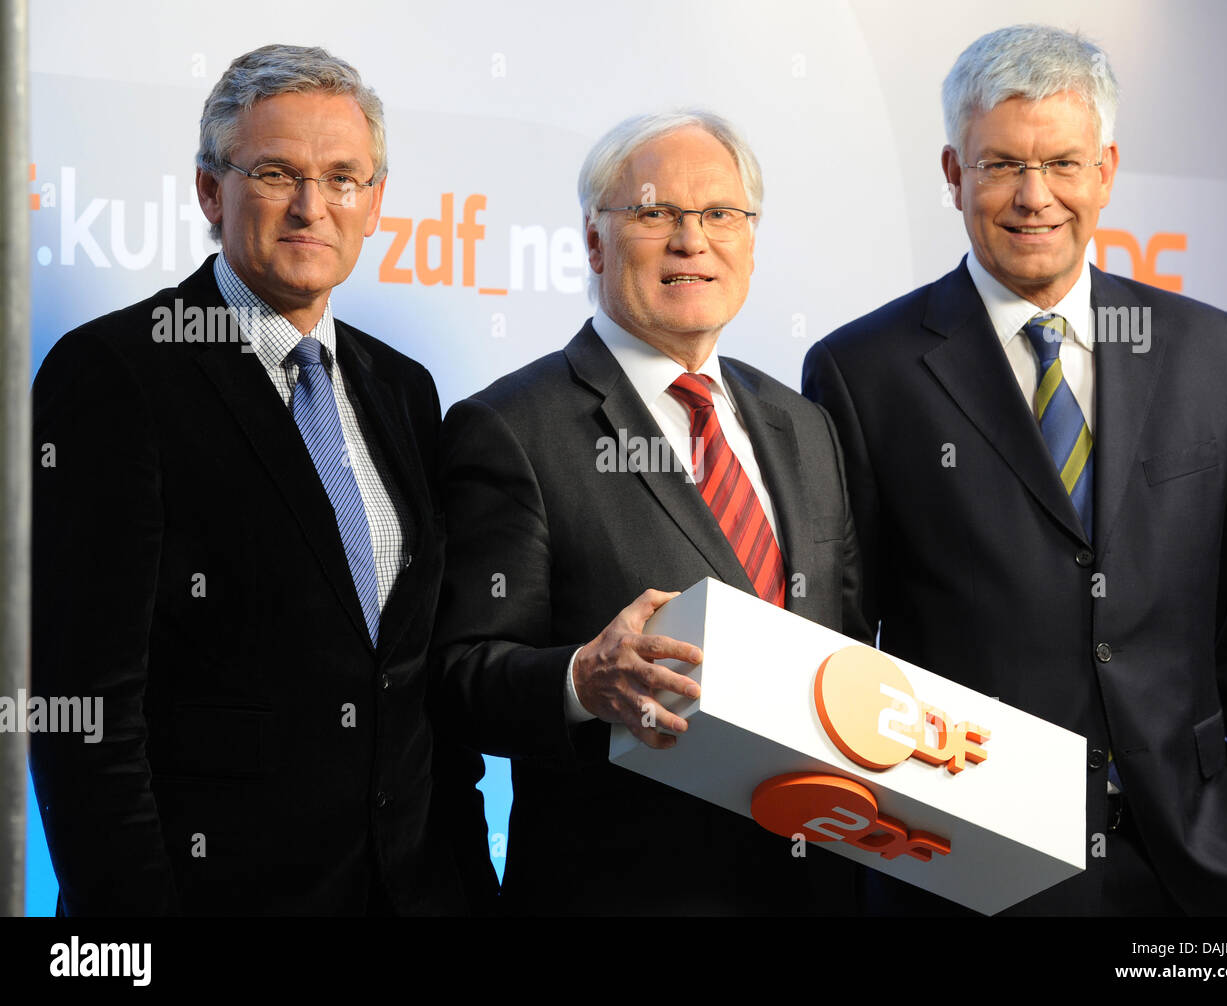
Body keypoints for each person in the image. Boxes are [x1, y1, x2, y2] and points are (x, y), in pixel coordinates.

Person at [803, 24, 1227, 915]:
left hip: (1196, 863)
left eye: (1062, 163)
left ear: (1106, 170)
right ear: (952, 173)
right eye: (1001, 166)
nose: (1034, 197)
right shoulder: (862, 370)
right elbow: (837, 643)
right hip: (970, 864)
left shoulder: (1207, 346)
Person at [30, 43, 497, 915]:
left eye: (344, 177)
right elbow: (82, 711)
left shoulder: (404, 389)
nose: (312, 207)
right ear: (211, 190)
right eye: (277, 172)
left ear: (376, 201)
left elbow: (416, 684)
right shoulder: (115, 373)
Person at [433, 110, 870, 914]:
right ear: (594, 242)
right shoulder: (513, 428)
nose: (690, 240)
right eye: (653, 212)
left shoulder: (803, 426)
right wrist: (577, 680)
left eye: (720, 215)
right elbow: (460, 676)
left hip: (813, 889)